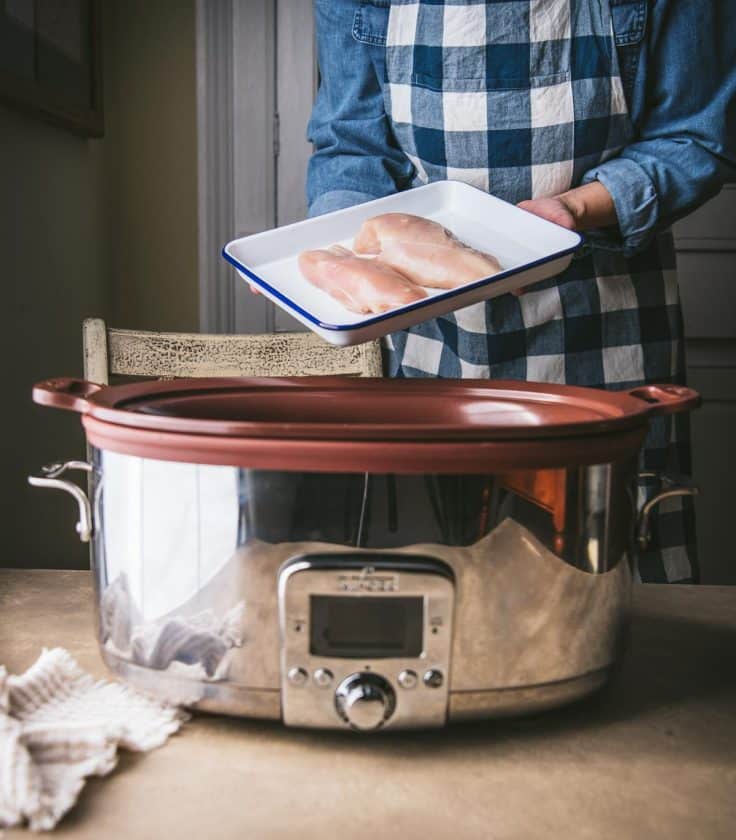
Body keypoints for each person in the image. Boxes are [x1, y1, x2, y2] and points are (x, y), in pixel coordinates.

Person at [304, 0, 736, 583]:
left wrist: (576, 208)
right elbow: (350, 144)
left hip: (605, 321)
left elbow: (696, 137)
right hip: (433, 334)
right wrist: (335, 257)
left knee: (605, 580)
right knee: (446, 581)